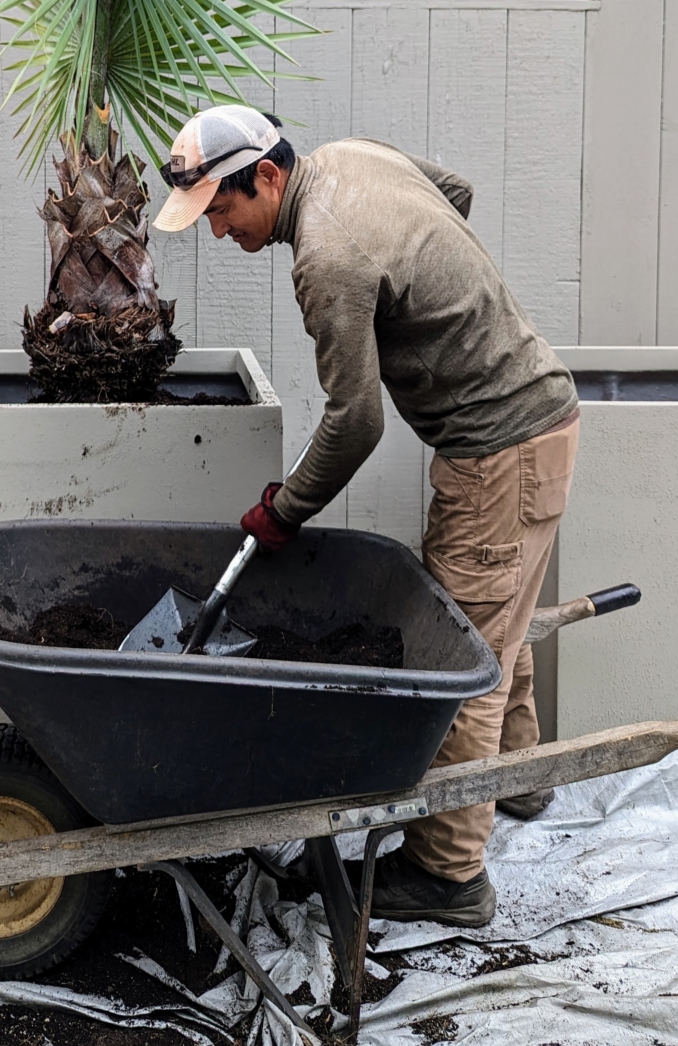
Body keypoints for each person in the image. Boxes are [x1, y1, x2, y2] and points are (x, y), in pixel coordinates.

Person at [153, 104, 578, 927]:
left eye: (220, 209)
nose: (216, 232)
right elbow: (451, 191)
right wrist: (420, 287)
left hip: (496, 452)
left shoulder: (324, 258)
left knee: (461, 660)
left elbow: (356, 423)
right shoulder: (352, 156)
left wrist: (284, 511)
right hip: (538, 417)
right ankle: (517, 782)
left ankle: (449, 875)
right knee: (498, 614)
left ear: (267, 177)